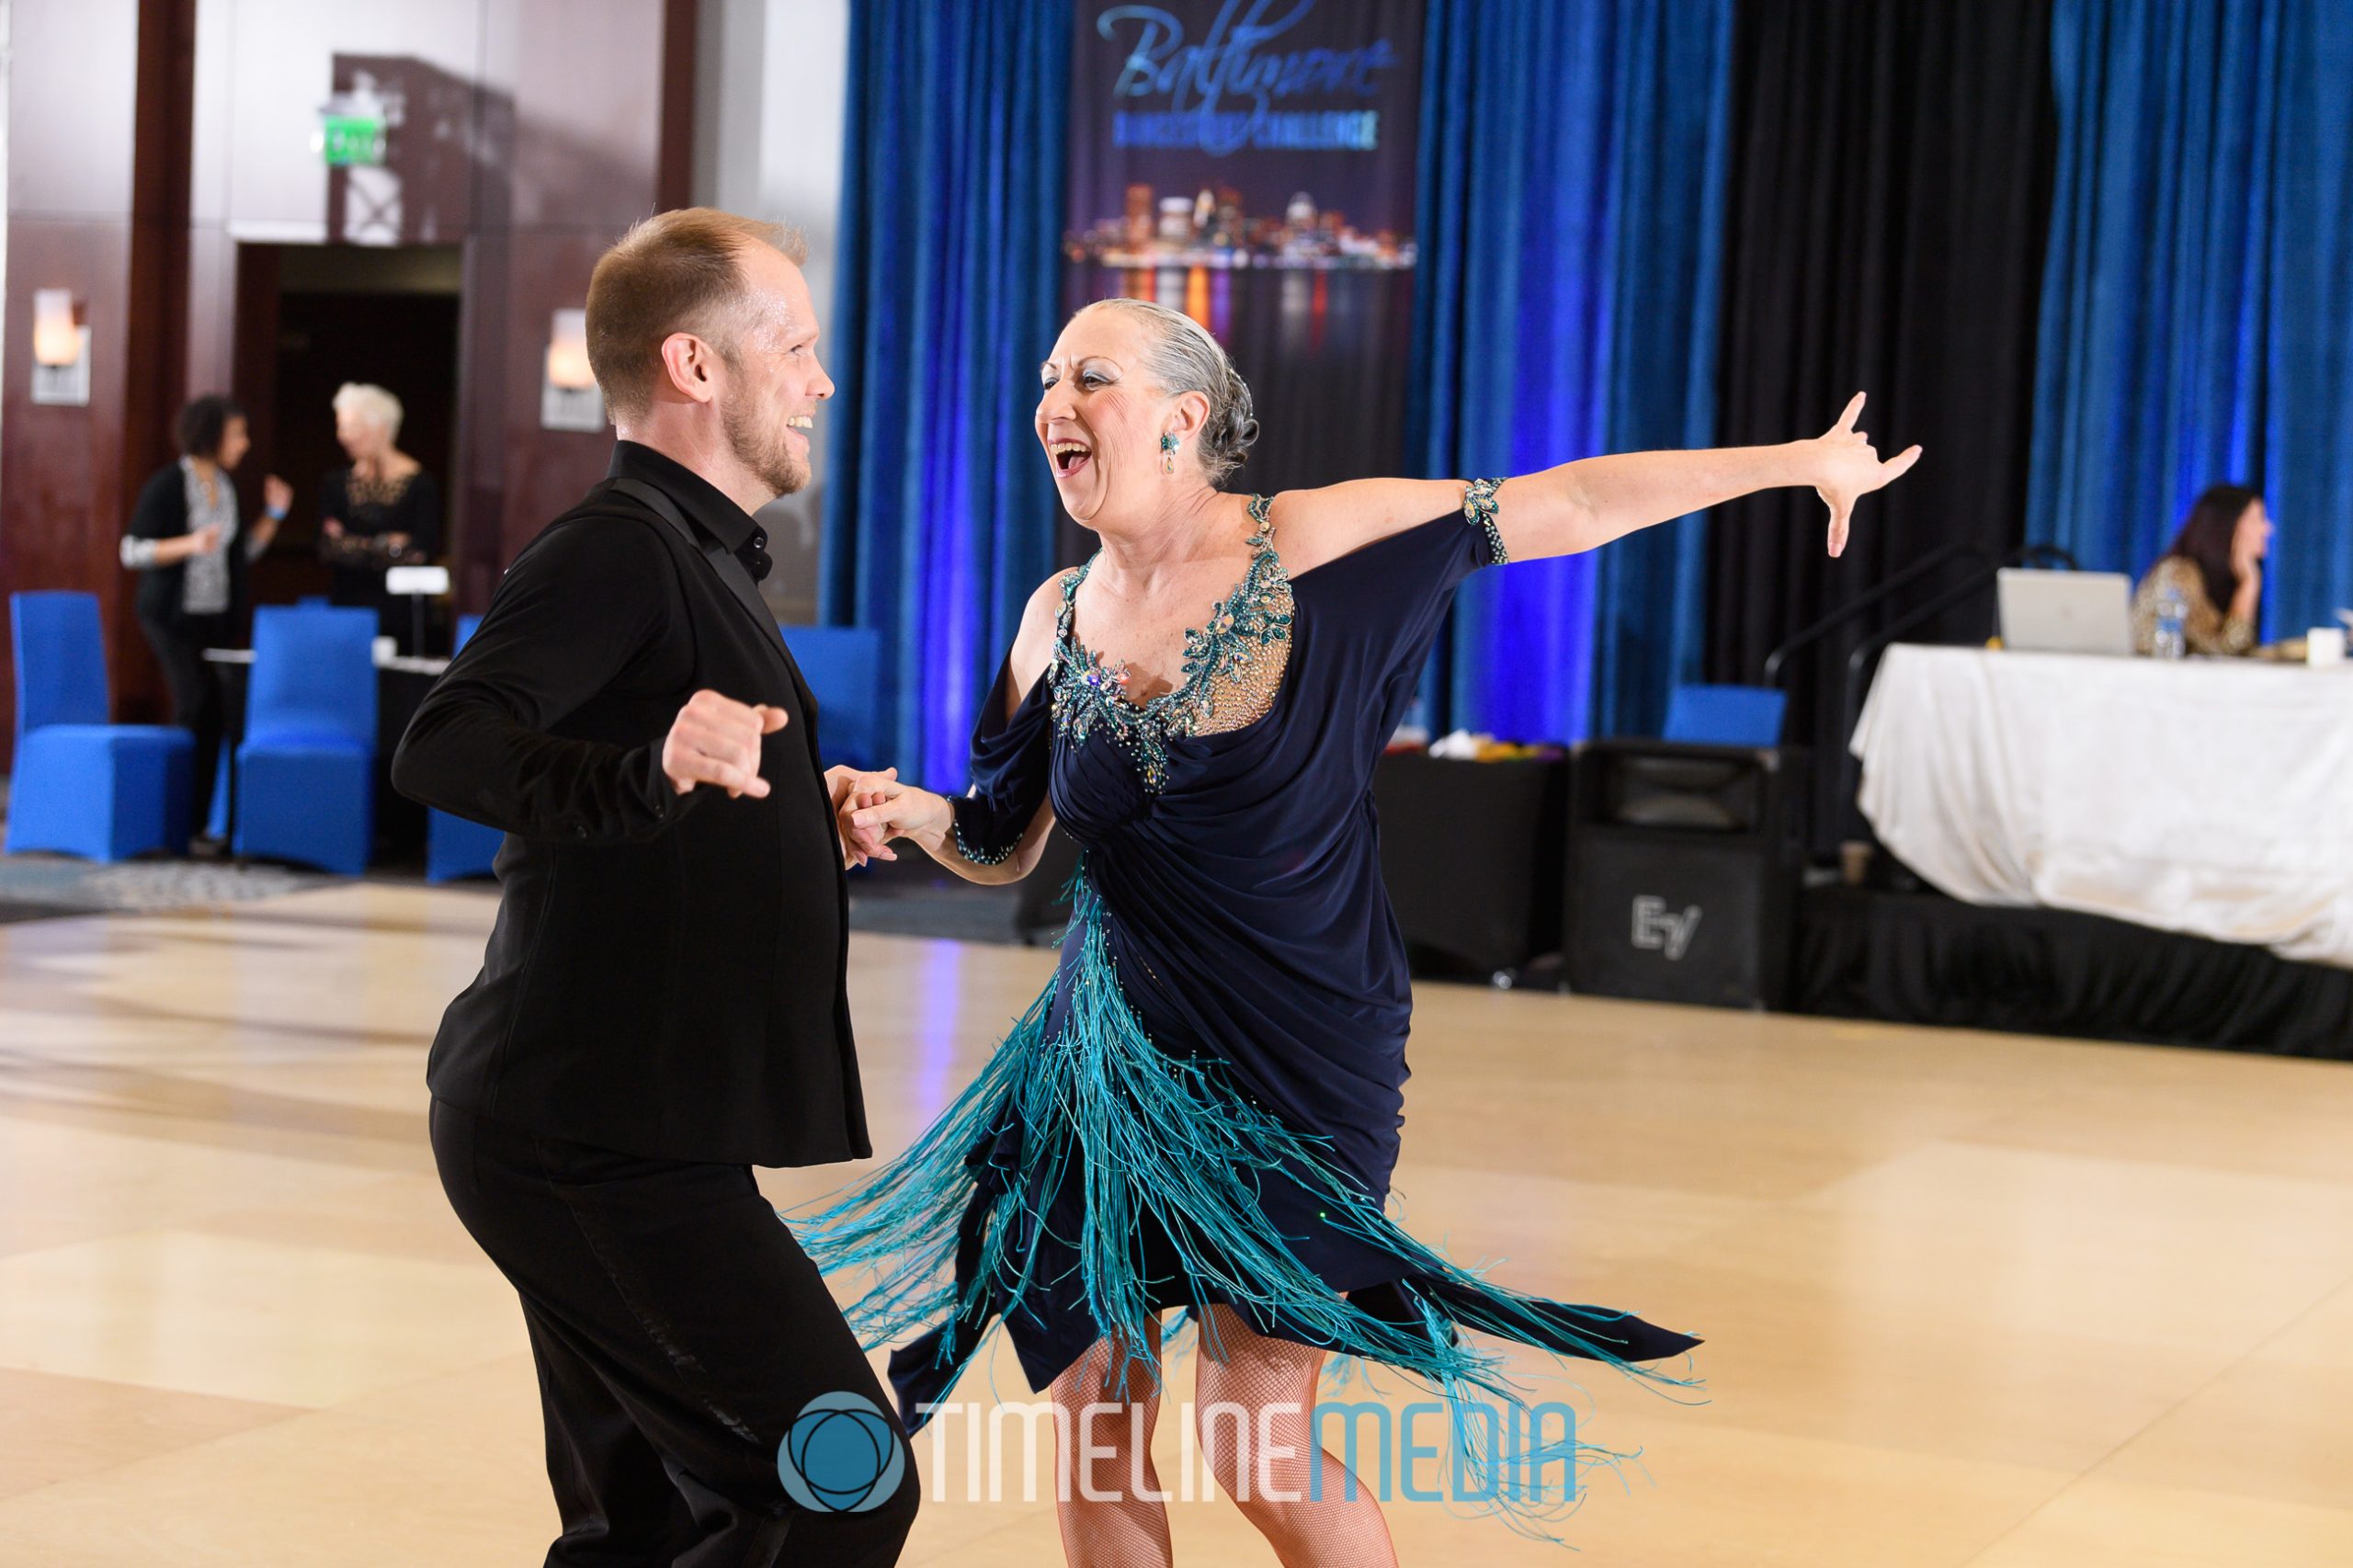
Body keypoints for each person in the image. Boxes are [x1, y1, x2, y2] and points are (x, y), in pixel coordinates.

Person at [813, 297, 1921, 1562]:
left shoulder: (1314, 544)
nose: (1054, 405)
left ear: (1185, 415)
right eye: (1049, 378)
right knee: (1091, 1406)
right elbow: (1001, 840)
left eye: (1092, 378)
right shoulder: (1052, 613)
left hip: (1298, 1051)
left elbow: (1572, 503)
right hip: (1105, 1054)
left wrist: (1796, 464)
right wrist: (909, 813)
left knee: (1255, 1434)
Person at [392, 209, 918, 1567]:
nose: (822, 377)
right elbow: (446, 743)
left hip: (607, 1116)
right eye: (794, 347)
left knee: (648, 1520)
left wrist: (803, 810)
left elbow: (666, 774)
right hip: (590, 1136)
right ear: (696, 367)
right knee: (843, 1481)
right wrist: (649, 769)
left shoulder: (697, 554)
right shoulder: (619, 544)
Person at [120, 394, 292, 839]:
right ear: (211, 434)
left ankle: (198, 824)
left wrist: (274, 515)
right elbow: (132, 550)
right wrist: (190, 544)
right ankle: (174, 820)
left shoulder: (228, 487)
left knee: (216, 715)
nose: (245, 443)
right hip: (169, 617)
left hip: (213, 620)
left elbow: (239, 555)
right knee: (193, 703)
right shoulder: (168, 484)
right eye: (238, 434)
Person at [318, 381, 440, 644]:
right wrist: (388, 545)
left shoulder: (421, 484)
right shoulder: (336, 482)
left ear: (381, 429)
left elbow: (422, 550)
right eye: (340, 426)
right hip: (346, 611)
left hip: (401, 618)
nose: (342, 435)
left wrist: (353, 544)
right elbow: (328, 547)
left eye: (351, 427)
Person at [2131, 483, 2271, 655]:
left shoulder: (2225, 580)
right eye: (2257, 519)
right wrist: (2249, 585)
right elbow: (2223, 653)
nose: (2267, 529)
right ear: (2228, 526)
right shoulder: (2178, 574)